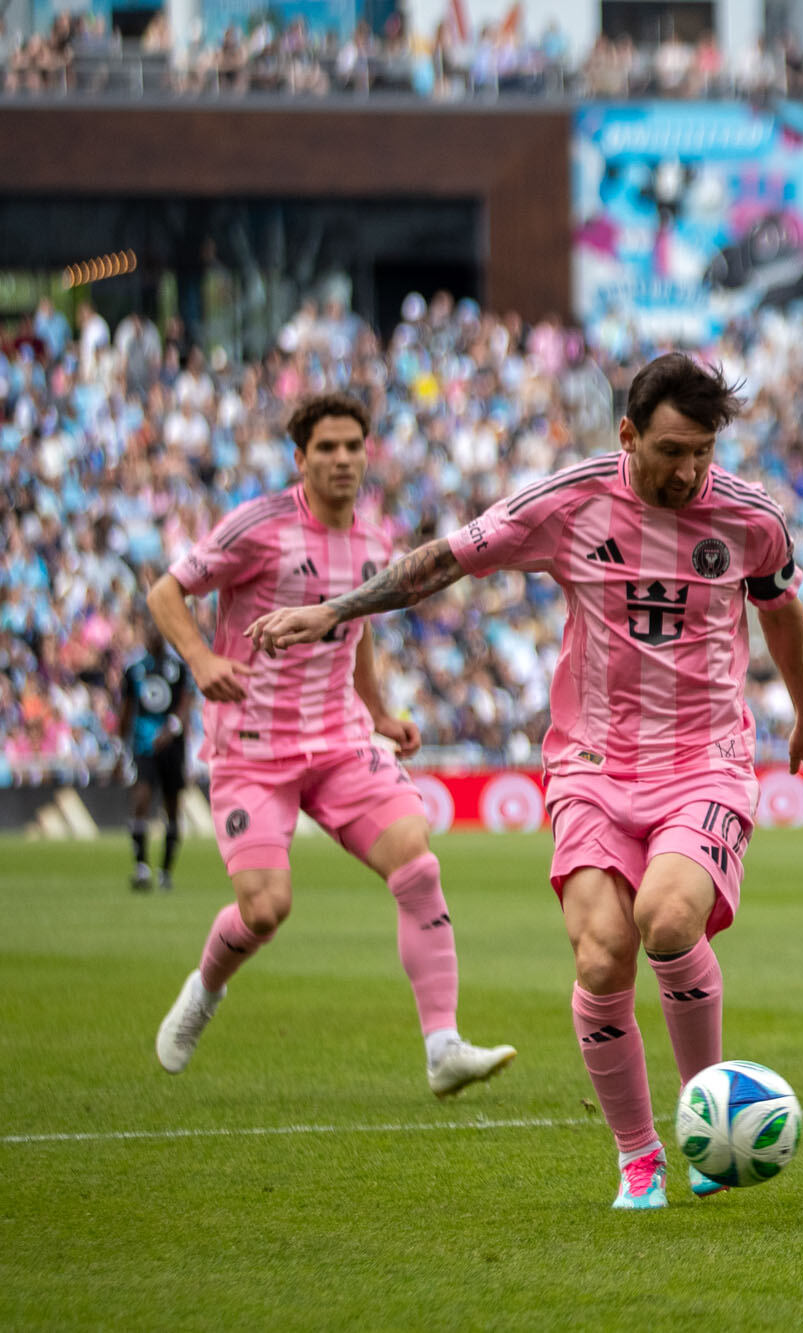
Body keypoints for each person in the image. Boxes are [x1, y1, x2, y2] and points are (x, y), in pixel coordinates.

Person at [246, 354, 803, 1211]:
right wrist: (334, 611)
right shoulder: (566, 503)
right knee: (601, 954)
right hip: (592, 765)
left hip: (703, 760)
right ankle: (638, 1158)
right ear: (627, 434)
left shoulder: (752, 518)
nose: (688, 472)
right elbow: (444, 560)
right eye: (671, 450)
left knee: (669, 918)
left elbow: (780, 609)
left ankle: (709, 1116)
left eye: (703, 452)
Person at [146, 392, 517, 1099]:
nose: (343, 459)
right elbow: (166, 592)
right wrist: (201, 659)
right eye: (327, 448)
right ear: (300, 458)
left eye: (353, 446)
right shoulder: (258, 527)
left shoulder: (374, 540)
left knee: (417, 861)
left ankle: (443, 1047)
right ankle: (205, 989)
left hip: (340, 740)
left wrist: (376, 710)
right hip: (253, 747)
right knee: (265, 909)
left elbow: (358, 624)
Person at [118, 624, 192, 892]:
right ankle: (141, 867)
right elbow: (126, 710)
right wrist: (119, 748)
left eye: (157, 632)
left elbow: (185, 704)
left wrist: (172, 729)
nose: (153, 637)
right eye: (149, 633)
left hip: (172, 747)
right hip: (144, 745)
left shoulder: (177, 667)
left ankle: (165, 871)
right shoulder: (134, 669)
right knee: (141, 799)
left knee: (172, 807)